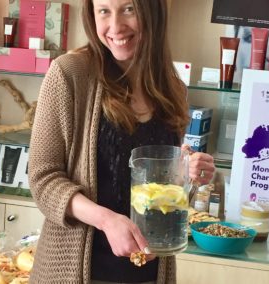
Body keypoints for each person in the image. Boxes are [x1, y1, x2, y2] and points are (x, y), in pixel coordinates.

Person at [28, 0, 215, 283]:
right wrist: (106, 220)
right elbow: (43, 179)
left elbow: (160, 192)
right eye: (104, 11)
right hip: (79, 274)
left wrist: (185, 174)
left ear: (152, 11)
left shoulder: (171, 87)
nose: (115, 26)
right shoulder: (69, 74)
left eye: (129, 9)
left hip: (151, 272)